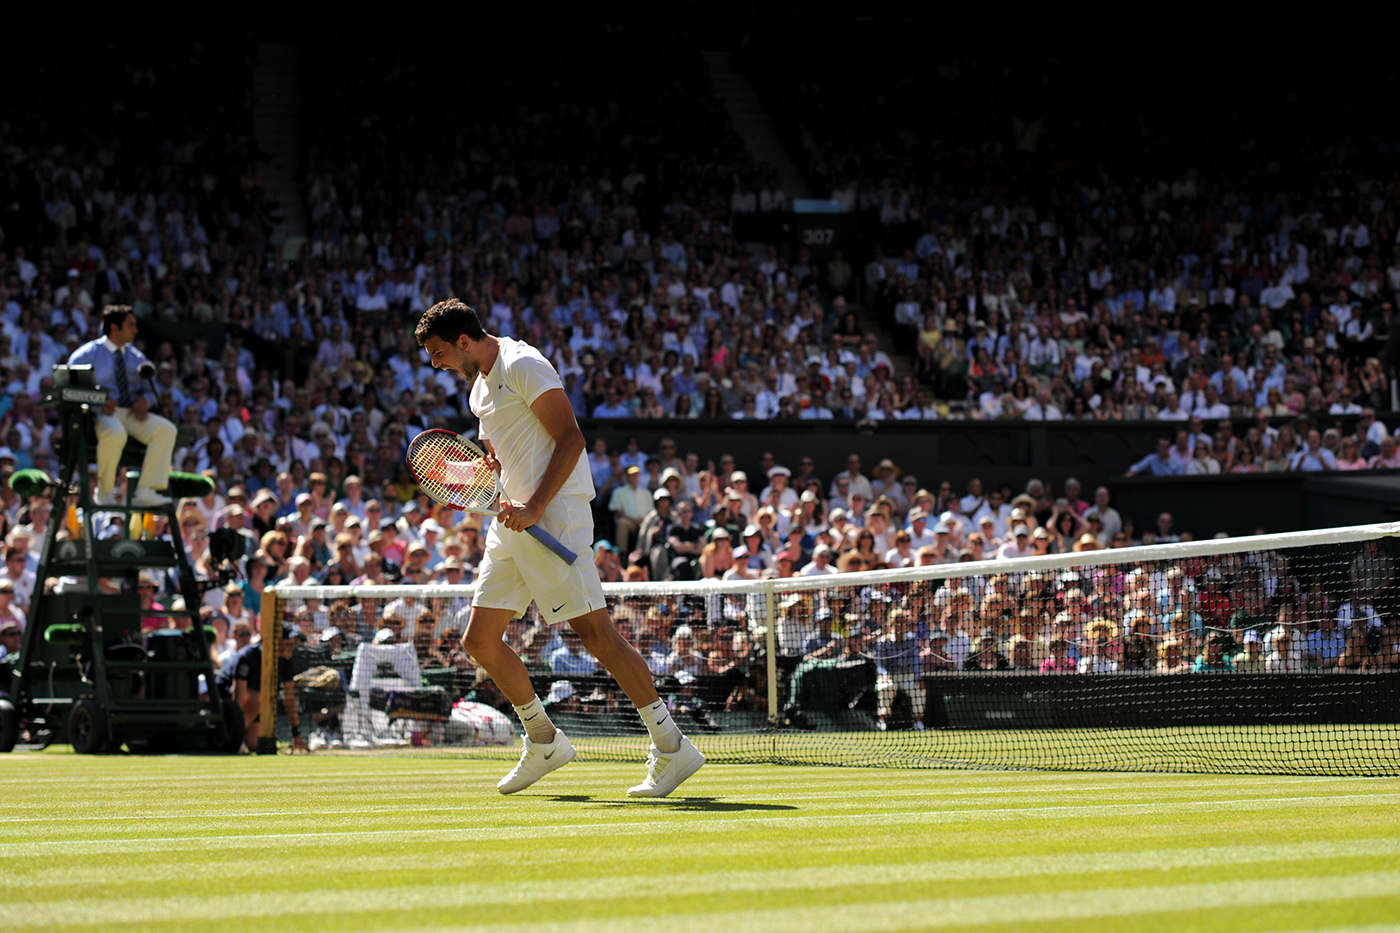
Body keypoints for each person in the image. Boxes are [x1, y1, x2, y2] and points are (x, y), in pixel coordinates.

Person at [416, 299, 703, 797]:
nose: (435, 364)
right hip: (512, 522)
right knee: (480, 640)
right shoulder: (478, 389)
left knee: (597, 635)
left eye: (439, 352)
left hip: (555, 517)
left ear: (464, 340)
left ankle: (673, 746)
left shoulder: (524, 364)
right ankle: (545, 740)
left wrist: (533, 505)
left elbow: (571, 440)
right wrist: (483, 476)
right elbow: (502, 460)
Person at [66, 306, 177, 506]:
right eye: (131, 325)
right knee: (116, 433)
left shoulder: (137, 357)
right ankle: (105, 492)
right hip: (100, 415)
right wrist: (99, 398)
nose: (136, 330)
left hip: (132, 414)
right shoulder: (85, 355)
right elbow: (71, 388)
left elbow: (152, 390)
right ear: (114, 328)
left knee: (166, 430)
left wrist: (146, 401)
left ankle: (145, 490)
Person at [214, 623, 310, 753]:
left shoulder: (286, 660)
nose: (292, 648)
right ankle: (233, 740)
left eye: (293, 644)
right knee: (257, 697)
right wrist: (237, 738)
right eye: (288, 643)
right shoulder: (248, 656)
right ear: (276, 642)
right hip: (225, 705)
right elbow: (238, 698)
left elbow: (290, 698)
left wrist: (296, 734)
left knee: (255, 744)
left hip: (253, 706)